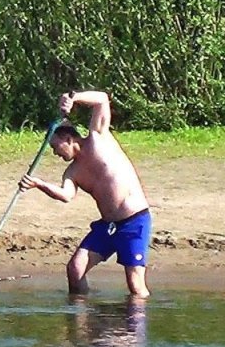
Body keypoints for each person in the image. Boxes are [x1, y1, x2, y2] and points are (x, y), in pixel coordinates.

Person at [19, 90, 152, 297]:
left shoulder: (98, 138)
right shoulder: (72, 171)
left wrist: (73, 98)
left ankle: (135, 328)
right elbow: (66, 195)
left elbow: (102, 99)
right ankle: (81, 322)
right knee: (75, 269)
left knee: (135, 284)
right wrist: (39, 184)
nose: (55, 153)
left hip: (134, 221)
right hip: (108, 227)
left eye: (56, 147)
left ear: (69, 138)